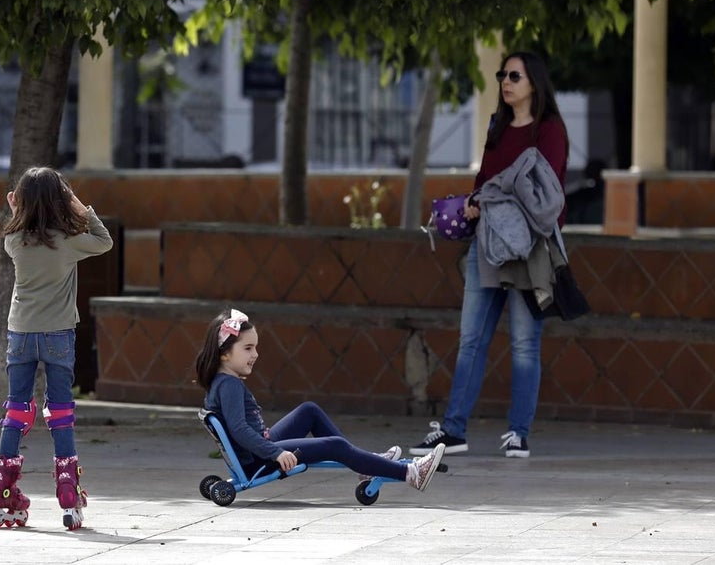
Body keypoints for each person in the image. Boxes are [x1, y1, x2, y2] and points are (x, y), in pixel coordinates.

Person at [410, 51, 569, 460]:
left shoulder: (549, 130)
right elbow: (484, 180)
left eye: (514, 75)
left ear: (534, 81)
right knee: (470, 340)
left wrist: (495, 198)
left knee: (523, 344)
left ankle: (519, 432)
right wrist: (476, 200)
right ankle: (453, 430)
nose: (506, 81)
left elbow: (549, 195)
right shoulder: (497, 126)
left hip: (529, 250)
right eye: (502, 75)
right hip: (487, 246)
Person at [0, 167, 114, 530]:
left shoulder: (14, 241)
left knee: (18, 409)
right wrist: (81, 206)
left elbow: (15, 225)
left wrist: (14, 208)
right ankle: (68, 485)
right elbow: (105, 241)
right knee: (60, 410)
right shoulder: (69, 242)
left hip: (20, 334)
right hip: (57, 335)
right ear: (60, 200)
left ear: (20, 202)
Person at [195, 309, 446, 492]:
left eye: (256, 347)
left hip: (261, 448)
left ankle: (365, 463)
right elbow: (239, 430)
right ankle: (410, 473)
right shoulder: (229, 385)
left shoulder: (222, 381)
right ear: (225, 354)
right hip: (262, 459)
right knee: (335, 445)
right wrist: (276, 452)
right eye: (248, 348)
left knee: (309, 411)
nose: (256, 354)